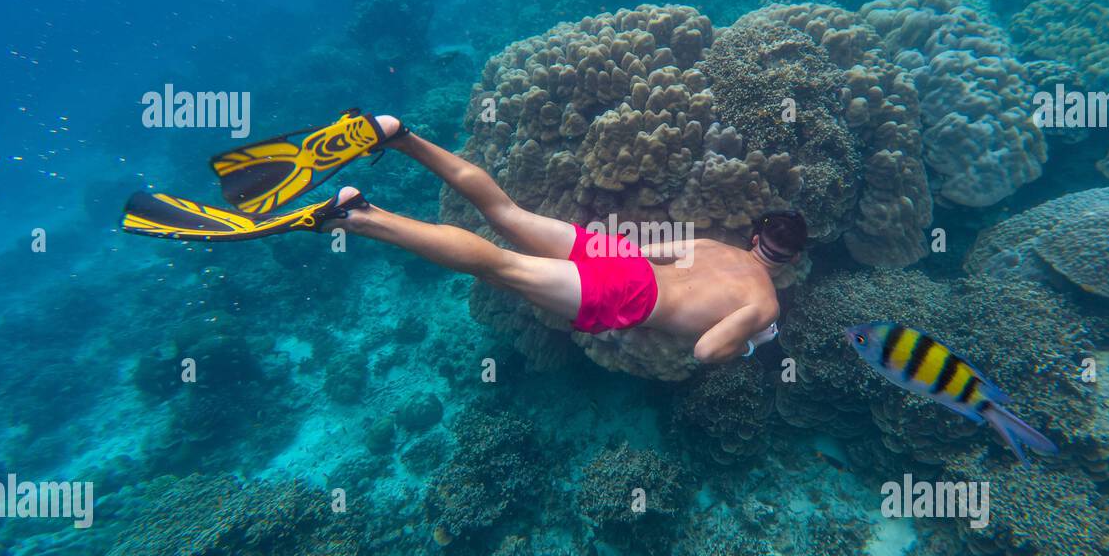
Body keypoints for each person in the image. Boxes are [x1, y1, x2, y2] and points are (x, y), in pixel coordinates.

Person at [122, 112, 808, 364]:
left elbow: (662, 251)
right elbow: (707, 345)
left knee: (506, 212)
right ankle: (357, 214)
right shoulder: (767, 304)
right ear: (790, 260)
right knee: (499, 267)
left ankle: (399, 133)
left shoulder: (720, 246)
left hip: (623, 258)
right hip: (627, 296)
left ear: (754, 234)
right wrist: (749, 340)